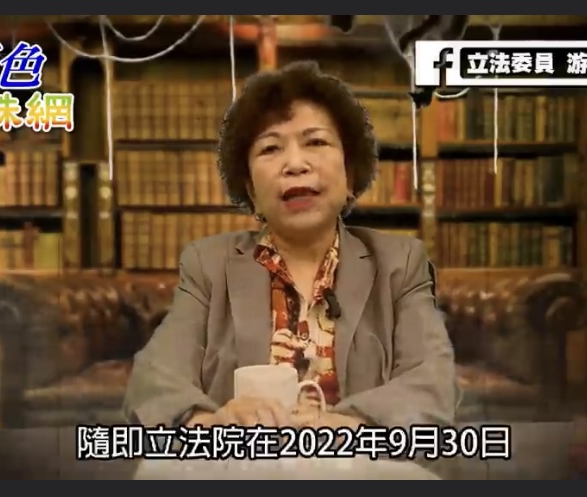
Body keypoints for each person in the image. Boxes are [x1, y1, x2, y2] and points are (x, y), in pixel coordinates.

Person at [123, 61, 458, 432]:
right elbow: (155, 377)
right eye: (270, 148)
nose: (295, 164)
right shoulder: (209, 265)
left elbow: (432, 383)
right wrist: (208, 422)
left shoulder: (400, 263)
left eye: (316, 142)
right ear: (251, 190)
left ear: (350, 174)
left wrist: (347, 425)